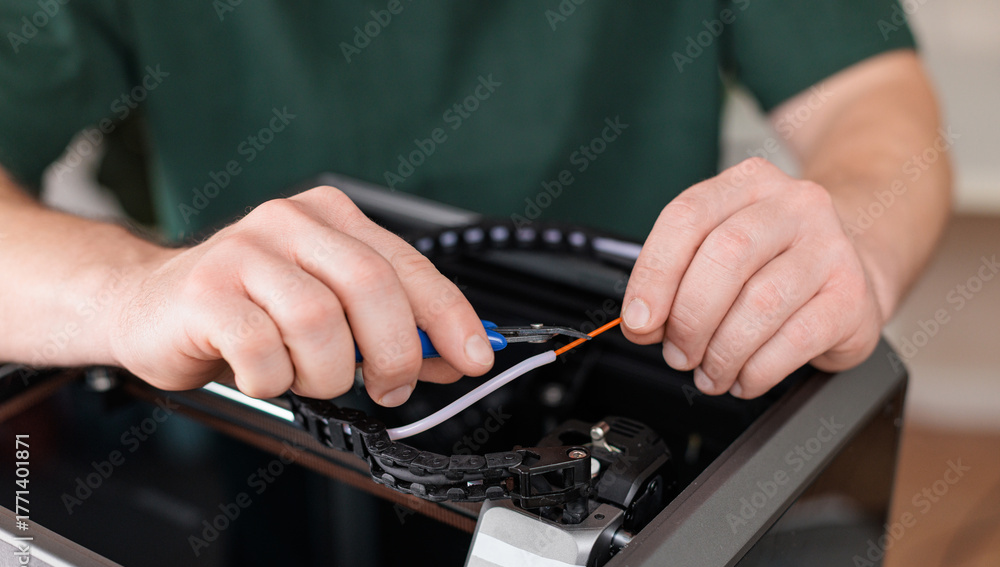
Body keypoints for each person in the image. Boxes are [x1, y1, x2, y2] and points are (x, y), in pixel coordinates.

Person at [0, 2, 951, 406]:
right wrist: (131, 292)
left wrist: (852, 243)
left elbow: (872, 103)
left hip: (658, 429)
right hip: (268, 452)